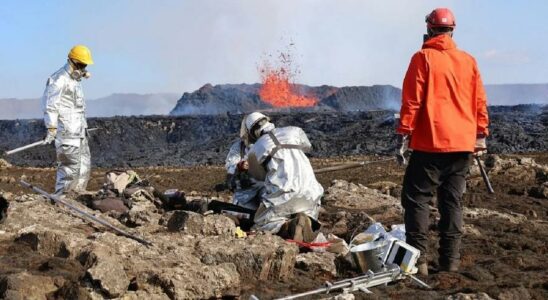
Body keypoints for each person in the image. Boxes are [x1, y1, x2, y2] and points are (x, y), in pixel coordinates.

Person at [396, 8, 489, 276]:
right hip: (462, 146)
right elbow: (480, 101)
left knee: (416, 199)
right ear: (452, 30)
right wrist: (480, 134)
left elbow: (412, 101)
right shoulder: (468, 61)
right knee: (452, 202)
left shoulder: (422, 58)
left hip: (430, 145)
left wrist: (404, 133)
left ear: (429, 29)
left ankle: (418, 262)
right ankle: (450, 263)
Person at [245, 112, 323, 242]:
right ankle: (306, 220)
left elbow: (259, 176)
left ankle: (287, 226)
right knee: (308, 211)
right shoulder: (295, 131)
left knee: (261, 224)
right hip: (312, 194)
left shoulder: (256, 149)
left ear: (253, 132)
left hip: (283, 197)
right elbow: (307, 147)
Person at [41, 45, 94, 195]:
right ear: (73, 62)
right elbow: (50, 105)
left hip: (80, 132)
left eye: (85, 65)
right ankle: (62, 201)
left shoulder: (76, 81)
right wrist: (51, 128)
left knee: (83, 166)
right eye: (82, 64)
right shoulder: (58, 79)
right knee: (69, 170)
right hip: (67, 134)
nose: (84, 68)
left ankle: (77, 197)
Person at [224, 118, 265, 210]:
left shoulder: (270, 145)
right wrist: (240, 165)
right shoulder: (239, 147)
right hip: (246, 194)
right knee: (244, 214)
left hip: (267, 190)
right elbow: (230, 167)